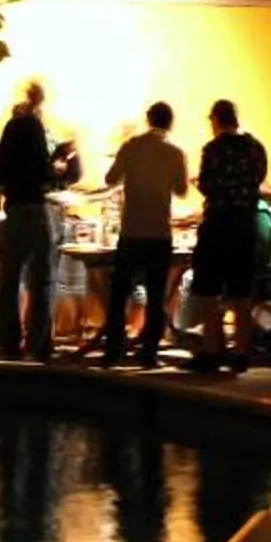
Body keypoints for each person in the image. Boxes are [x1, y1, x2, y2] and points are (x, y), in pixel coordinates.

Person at [97, 101, 190, 367]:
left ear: (148, 119)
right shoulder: (175, 153)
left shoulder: (131, 146)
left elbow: (110, 178)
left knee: (119, 293)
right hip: (160, 232)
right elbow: (182, 190)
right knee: (157, 293)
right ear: (170, 123)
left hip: (132, 230)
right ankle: (148, 354)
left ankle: (113, 352)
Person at [180, 99, 269, 368]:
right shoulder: (255, 148)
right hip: (244, 224)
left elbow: (207, 184)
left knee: (208, 289)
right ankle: (241, 352)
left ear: (216, 120)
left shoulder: (213, 148)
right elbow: (259, 178)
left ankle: (212, 350)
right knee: (241, 290)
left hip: (218, 223)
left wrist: (206, 185)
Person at [0, 79, 60, 360]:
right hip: (36, 208)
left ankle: (9, 343)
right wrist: (58, 165)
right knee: (42, 278)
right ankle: (37, 344)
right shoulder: (34, 127)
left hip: (14, 209)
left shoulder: (10, 128)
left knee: (10, 278)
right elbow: (44, 171)